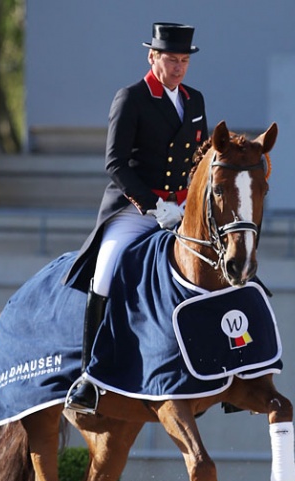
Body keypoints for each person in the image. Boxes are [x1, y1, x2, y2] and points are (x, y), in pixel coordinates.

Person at [65, 22, 209, 413]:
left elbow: (199, 160)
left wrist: (189, 205)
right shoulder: (132, 97)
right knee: (106, 272)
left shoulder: (194, 101)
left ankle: (229, 365)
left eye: (183, 61)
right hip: (137, 208)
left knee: (220, 265)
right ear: (153, 57)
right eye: (170, 59)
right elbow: (115, 162)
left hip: (180, 210)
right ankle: (87, 378)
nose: (178, 68)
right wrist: (152, 205)